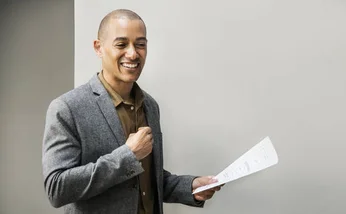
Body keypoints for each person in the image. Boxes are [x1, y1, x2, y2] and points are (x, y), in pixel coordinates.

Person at [41, 9, 223, 214]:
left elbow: (143, 181)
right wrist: (127, 155)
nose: (133, 53)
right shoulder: (67, 108)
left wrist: (189, 187)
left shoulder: (150, 106)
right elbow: (57, 189)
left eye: (140, 44)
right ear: (98, 48)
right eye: (121, 44)